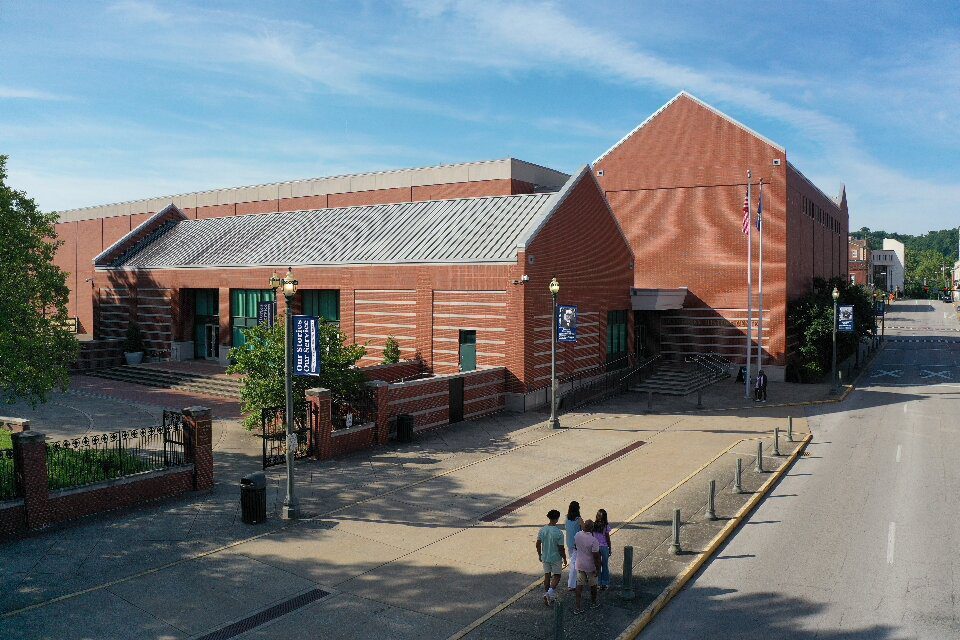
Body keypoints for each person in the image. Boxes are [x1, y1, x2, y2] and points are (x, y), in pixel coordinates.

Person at [536, 509, 567, 606]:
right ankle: (549, 594)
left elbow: (538, 544)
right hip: (556, 558)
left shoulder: (542, 530)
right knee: (557, 576)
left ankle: (548, 595)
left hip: (545, 556)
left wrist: (539, 554)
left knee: (547, 576)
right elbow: (561, 548)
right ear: (557, 519)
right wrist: (565, 558)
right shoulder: (559, 532)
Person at [573, 519, 601, 614]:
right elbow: (596, 557)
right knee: (593, 585)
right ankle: (593, 603)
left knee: (579, 586)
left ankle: (577, 606)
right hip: (590, 567)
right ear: (592, 529)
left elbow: (575, 547)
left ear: (584, 526)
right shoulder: (594, 541)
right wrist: (598, 569)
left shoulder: (577, 535)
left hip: (580, 564)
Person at [564, 501, 583, 591]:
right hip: (577, 544)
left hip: (569, 542)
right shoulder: (578, 519)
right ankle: (571, 584)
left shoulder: (566, 518)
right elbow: (584, 529)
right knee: (574, 563)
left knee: (573, 560)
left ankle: (577, 579)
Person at [593, 509, 612, 590]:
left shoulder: (594, 525)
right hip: (604, 547)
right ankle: (605, 583)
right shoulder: (605, 526)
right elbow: (607, 538)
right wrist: (610, 547)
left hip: (596, 548)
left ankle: (598, 582)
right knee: (605, 565)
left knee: (597, 566)